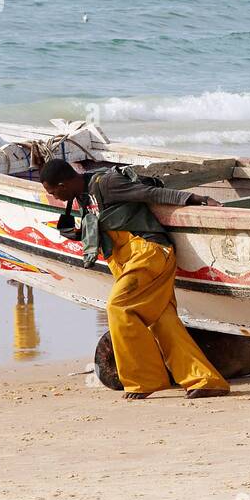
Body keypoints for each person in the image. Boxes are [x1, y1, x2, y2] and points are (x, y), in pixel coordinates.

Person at [41, 158, 230, 401]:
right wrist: (78, 234)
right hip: (126, 262)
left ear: (63, 183)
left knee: (118, 307)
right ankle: (206, 380)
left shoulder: (106, 183)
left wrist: (197, 199)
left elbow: (150, 193)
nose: (55, 197)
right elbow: (107, 224)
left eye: (53, 191)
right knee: (163, 321)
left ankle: (143, 380)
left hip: (148, 253)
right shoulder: (82, 197)